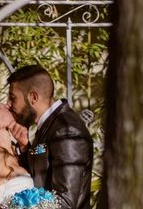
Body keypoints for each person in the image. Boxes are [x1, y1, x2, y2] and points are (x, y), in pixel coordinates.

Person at [7, 65, 94, 209]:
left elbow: (63, 202)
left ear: (33, 97)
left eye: (13, 98)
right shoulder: (49, 125)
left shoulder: (67, 130)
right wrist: (24, 147)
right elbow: (40, 176)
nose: (8, 104)